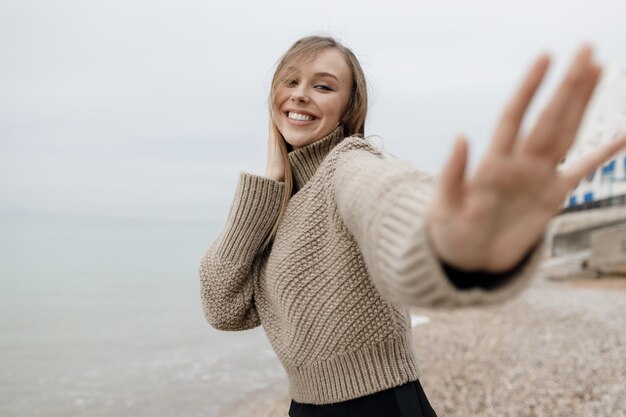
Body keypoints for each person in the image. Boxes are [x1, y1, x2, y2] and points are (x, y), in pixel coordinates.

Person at [198, 36, 626, 416]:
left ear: (350, 108)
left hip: (379, 404)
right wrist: (266, 189)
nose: (301, 95)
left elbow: (389, 197)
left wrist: (453, 239)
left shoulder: (349, 164)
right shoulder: (276, 205)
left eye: (323, 85)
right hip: (305, 407)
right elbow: (222, 308)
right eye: (290, 82)